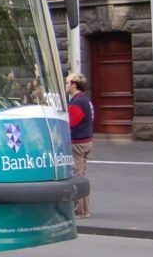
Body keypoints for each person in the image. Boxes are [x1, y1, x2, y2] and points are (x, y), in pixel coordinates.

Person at [66, 72, 94, 218]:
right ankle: (84, 209)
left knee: (77, 176)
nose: (66, 85)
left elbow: (70, 122)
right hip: (86, 141)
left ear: (74, 84)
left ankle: (80, 210)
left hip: (79, 143)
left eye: (68, 82)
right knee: (81, 174)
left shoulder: (77, 102)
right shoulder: (84, 100)